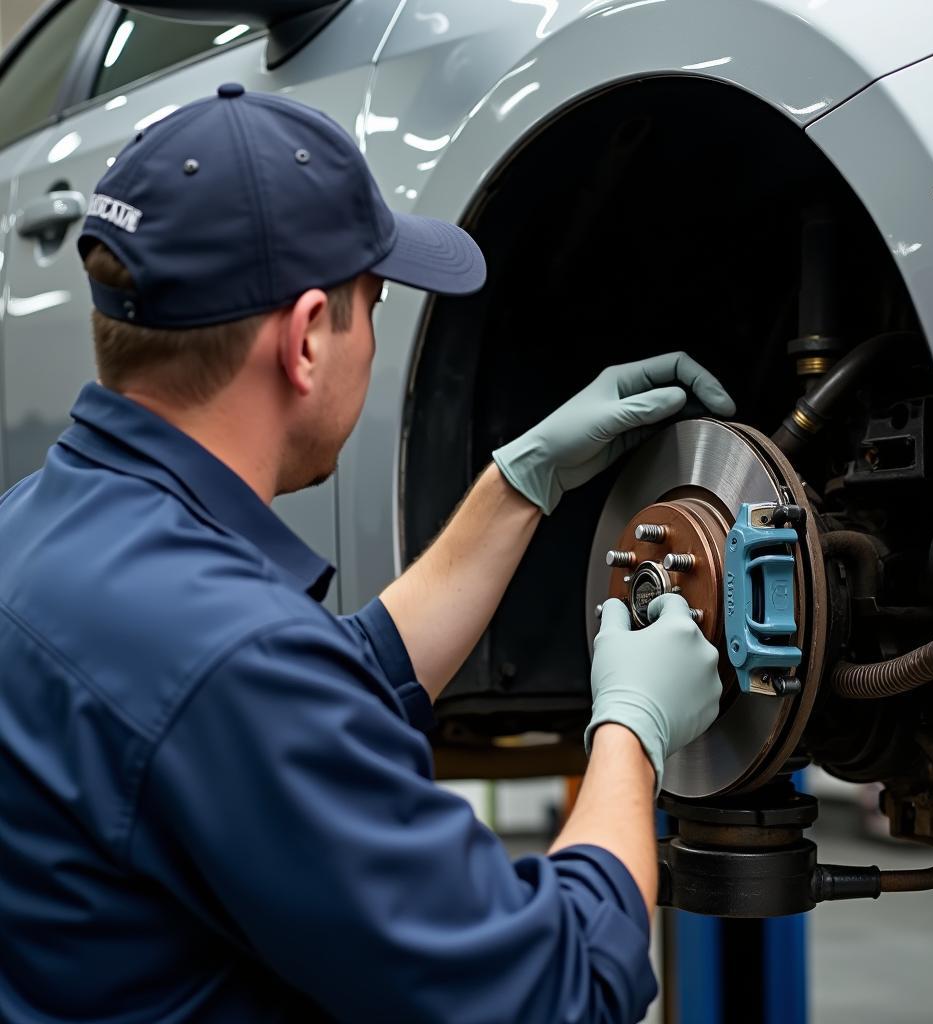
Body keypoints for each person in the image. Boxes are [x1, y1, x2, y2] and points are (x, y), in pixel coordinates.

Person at [0, 84, 730, 1024]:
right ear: (307, 340)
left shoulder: (39, 533)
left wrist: (521, 483)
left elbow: (319, 691)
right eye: (373, 304)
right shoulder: (232, 661)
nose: (376, 338)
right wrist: (632, 729)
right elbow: (557, 990)